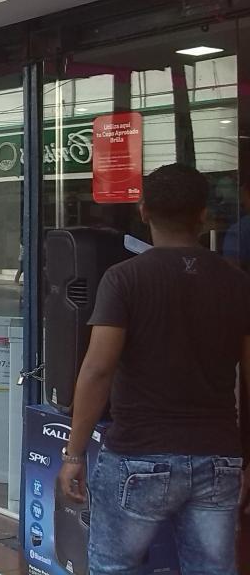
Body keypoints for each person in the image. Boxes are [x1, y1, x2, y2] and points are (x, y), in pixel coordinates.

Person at [57, 163, 250, 574]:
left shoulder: (124, 279)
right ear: (203, 215)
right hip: (218, 457)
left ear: (143, 210)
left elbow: (97, 371)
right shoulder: (237, 284)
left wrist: (73, 454)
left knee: (114, 567)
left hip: (138, 455)